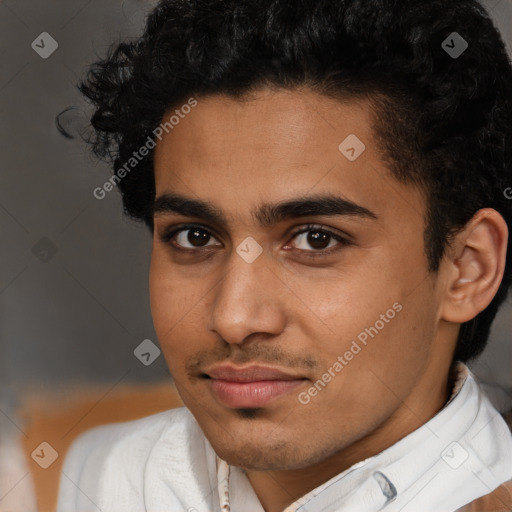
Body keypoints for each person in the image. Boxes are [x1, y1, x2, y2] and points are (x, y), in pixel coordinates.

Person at [56, 0, 512, 510]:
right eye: (194, 237)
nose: (233, 318)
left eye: (316, 239)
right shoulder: (102, 475)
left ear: (468, 269)